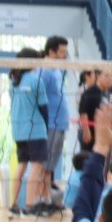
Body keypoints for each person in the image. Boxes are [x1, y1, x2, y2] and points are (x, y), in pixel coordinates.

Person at [8, 48, 50, 218]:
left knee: (21, 165)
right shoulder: (36, 81)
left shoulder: (13, 82)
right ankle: (31, 205)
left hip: (18, 130)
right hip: (36, 129)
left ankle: (13, 204)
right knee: (37, 167)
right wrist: (47, 126)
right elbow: (44, 107)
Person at [40, 36, 71, 202]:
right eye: (62, 52)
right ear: (51, 52)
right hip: (50, 124)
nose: (65, 56)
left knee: (50, 165)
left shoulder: (57, 70)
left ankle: (48, 198)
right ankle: (44, 199)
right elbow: (38, 97)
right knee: (45, 165)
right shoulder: (45, 71)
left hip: (60, 124)